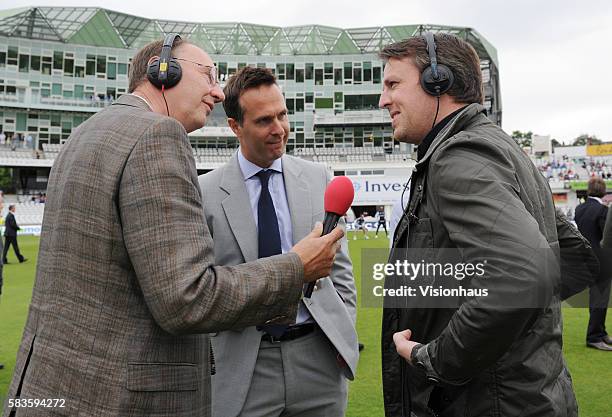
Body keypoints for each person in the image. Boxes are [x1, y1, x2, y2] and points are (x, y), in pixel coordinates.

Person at [4, 35, 344, 417]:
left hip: (53, 386)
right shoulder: (158, 135)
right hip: (124, 395)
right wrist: (296, 267)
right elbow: (187, 298)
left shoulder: (85, 132)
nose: (217, 93)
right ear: (163, 71)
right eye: (208, 75)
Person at [379, 33, 577, 416]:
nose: (383, 100)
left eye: (393, 84)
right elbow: (574, 259)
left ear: (439, 81)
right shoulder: (498, 147)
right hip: (526, 393)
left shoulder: (460, 154)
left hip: (490, 403)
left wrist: (435, 358)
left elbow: (522, 275)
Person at [199, 67, 358, 417]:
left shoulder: (316, 178)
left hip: (317, 359)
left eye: (283, 115)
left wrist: (341, 332)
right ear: (235, 127)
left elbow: (341, 272)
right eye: (264, 120)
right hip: (243, 365)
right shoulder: (203, 193)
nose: (279, 129)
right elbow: (202, 289)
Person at [574, 177, 612, 351]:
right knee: (600, 299)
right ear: (603, 191)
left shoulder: (579, 209)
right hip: (601, 260)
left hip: (585, 258)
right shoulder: (602, 210)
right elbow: (606, 239)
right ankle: (594, 336)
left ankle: (600, 332)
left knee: (595, 298)